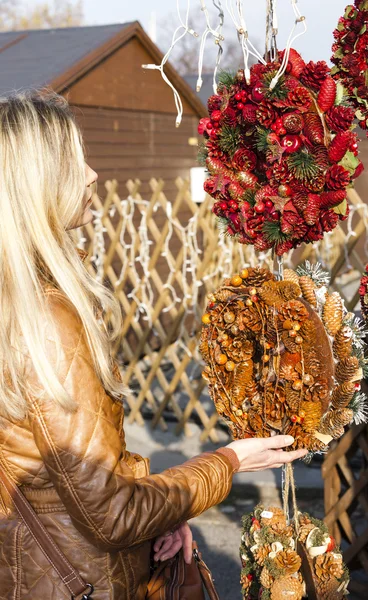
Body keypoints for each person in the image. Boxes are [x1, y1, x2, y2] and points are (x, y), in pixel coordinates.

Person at [0, 91, 307, 600]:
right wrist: (228, 461)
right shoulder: (47, 321)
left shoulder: (18, 304)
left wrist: (159, 511)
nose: (93, 174)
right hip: (78, 580)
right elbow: (111, 514)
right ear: (40, 181)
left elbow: (75, 473)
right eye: (76, 160)